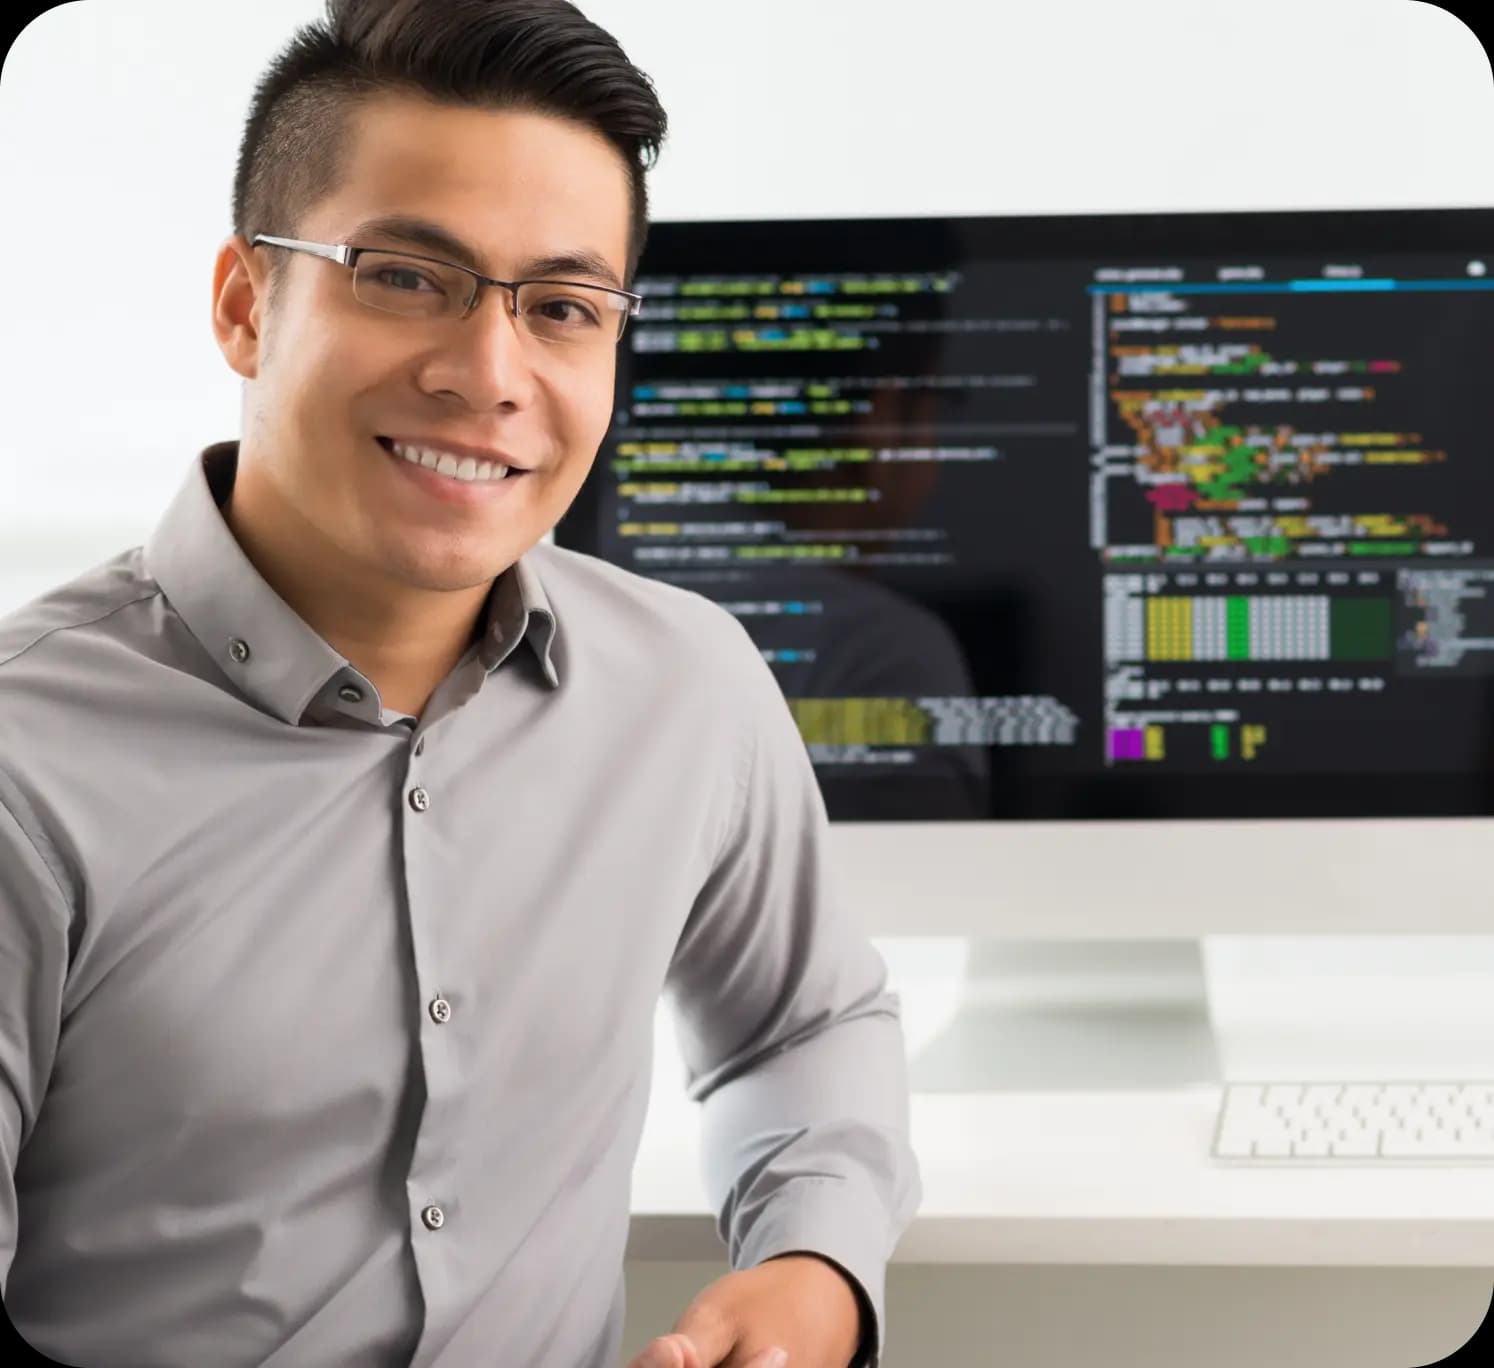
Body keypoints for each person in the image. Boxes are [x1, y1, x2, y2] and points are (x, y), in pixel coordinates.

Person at [0, 1, 921, 1365]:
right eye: (402, 276)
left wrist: (812, 1264)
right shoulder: (27, 762)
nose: (489, 375)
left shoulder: (688, 687)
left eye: (561, 307)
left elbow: (805, 1021)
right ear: (246, 304)